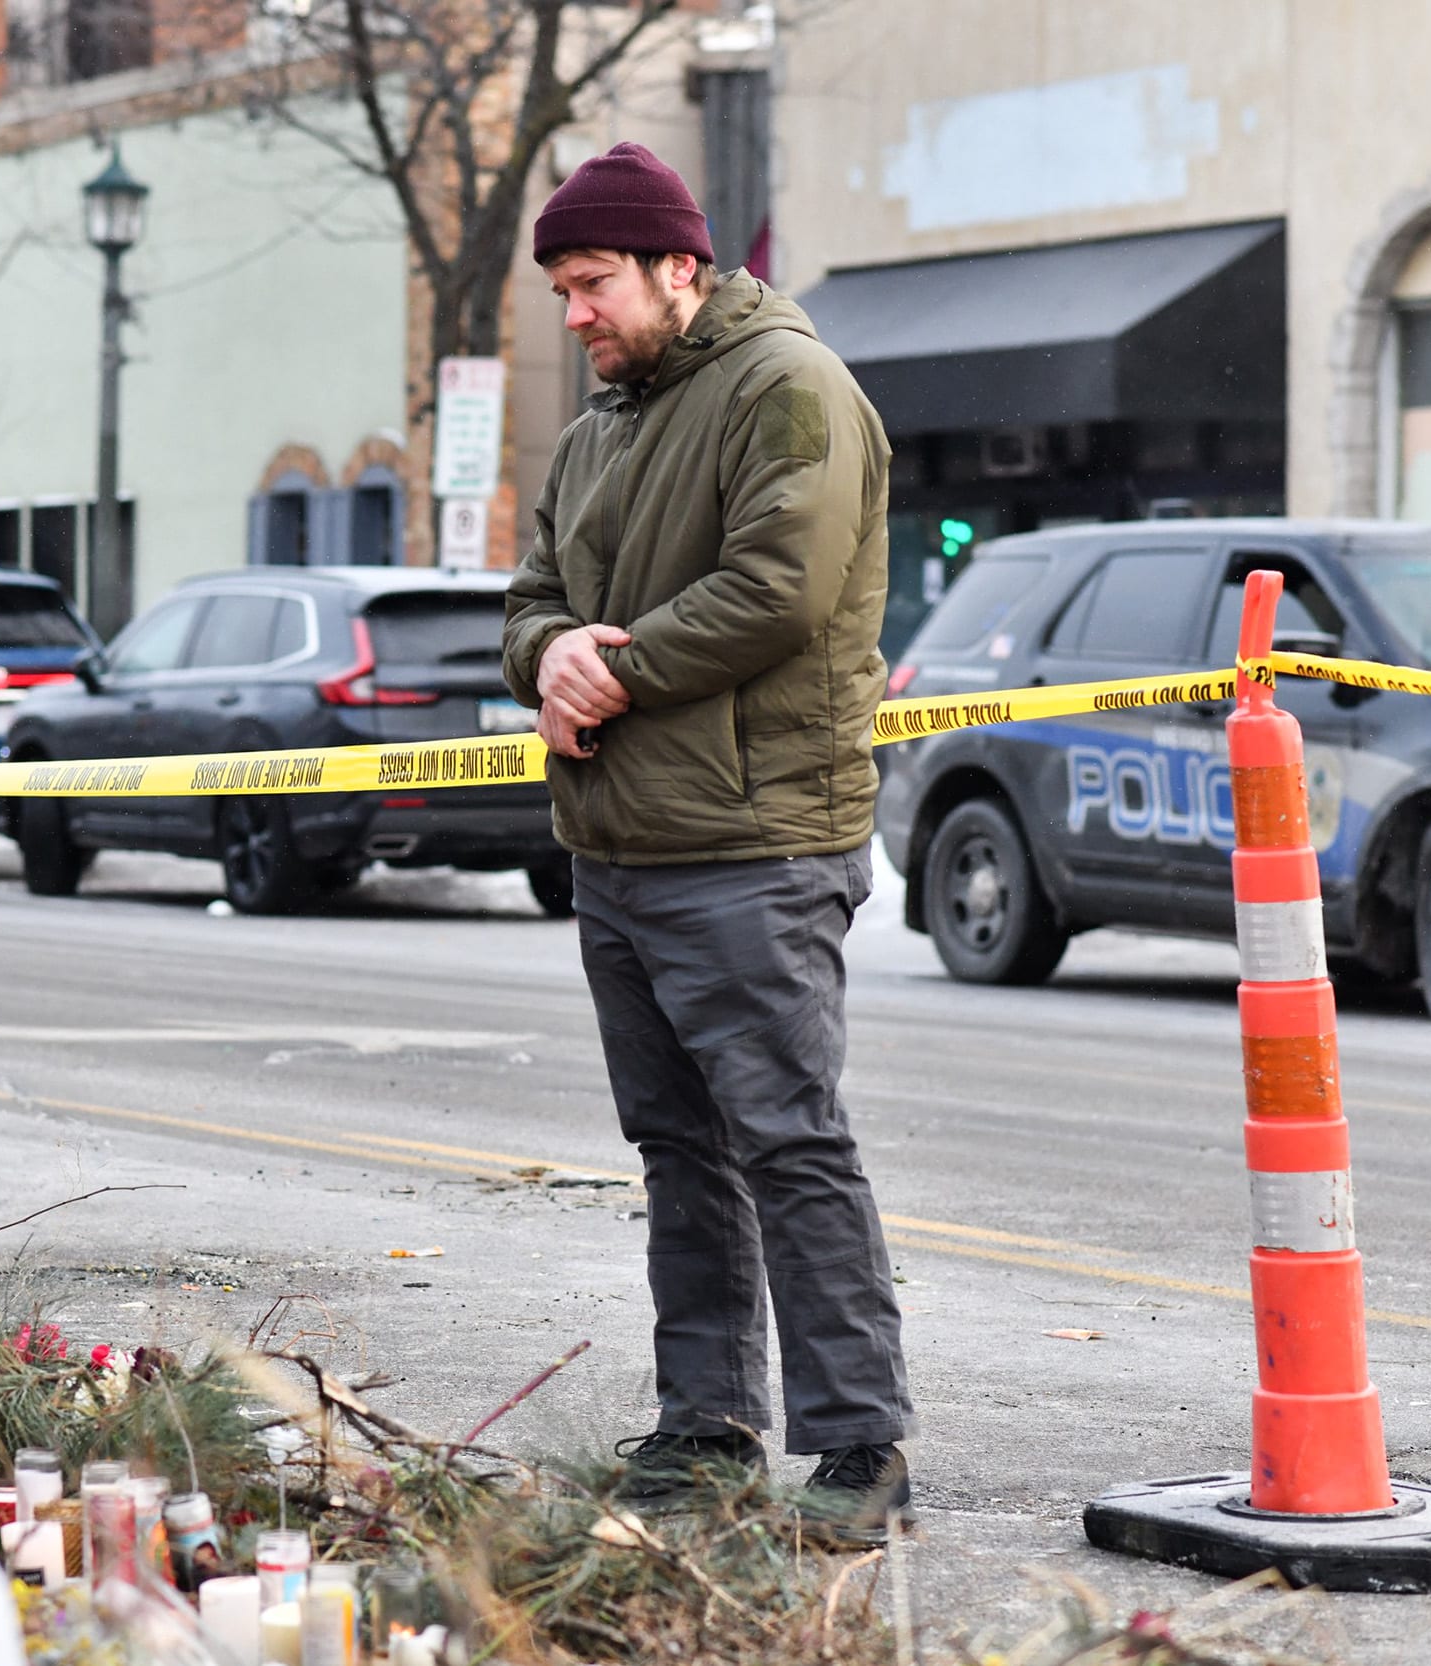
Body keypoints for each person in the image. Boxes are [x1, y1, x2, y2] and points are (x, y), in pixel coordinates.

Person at [500, 142, 913, 1543]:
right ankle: (708, 1423)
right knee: (678, 1145)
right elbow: (531, 593)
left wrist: (610, 671)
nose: (577, 315)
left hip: (753, 844)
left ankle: (861, 1445)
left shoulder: (790, 389)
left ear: (682, 266)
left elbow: (781, 588)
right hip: (618, 843)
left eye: (593, 282)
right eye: (561, 288)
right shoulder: (600, 424)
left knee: (789, 1142)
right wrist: (549, 650)